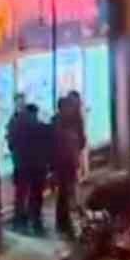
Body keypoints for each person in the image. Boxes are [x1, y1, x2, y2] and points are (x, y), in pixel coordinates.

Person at [51, 96, 81, 238]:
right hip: (62, 163)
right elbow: (57, 145)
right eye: (68, 106)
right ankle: (64, 222)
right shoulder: (59, 123)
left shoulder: (70, 121)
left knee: (67, 192)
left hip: (68, 161)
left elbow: (78, 141)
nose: (71, 109)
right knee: (65, 192)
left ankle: (64, 221)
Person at [20, 104, 51, 235]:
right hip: (36, 165)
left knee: (33, 193)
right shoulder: (39, 128)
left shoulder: (24, 129)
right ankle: (34, 219)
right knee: (35, 193)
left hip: (31, 165)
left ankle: (31, 218)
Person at [6, 94, 30, 230]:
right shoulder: (16, 120)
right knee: (22, 189)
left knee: (23, 189)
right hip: (21, 160)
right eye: (18, 103)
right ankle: (21, 214)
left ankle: (22, 214)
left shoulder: (17, 120)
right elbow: (10, 141)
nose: (20, 105)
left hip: (24, 160)